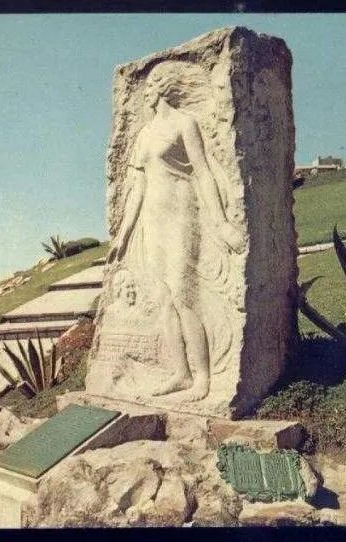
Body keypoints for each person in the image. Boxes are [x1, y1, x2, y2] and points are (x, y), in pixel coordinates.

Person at [106, 64, 244, 402]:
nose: (147, 90)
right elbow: (137, 188)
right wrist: (123, 234)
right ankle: (181, 374)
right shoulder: (144, 134)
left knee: (184, 296)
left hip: (182, 216)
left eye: (153, 83)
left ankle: (203, 378)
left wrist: (222, 223)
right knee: (164, 301)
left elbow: (204, 173)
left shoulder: (185, 123)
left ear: (165, 87)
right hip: (152, 222)